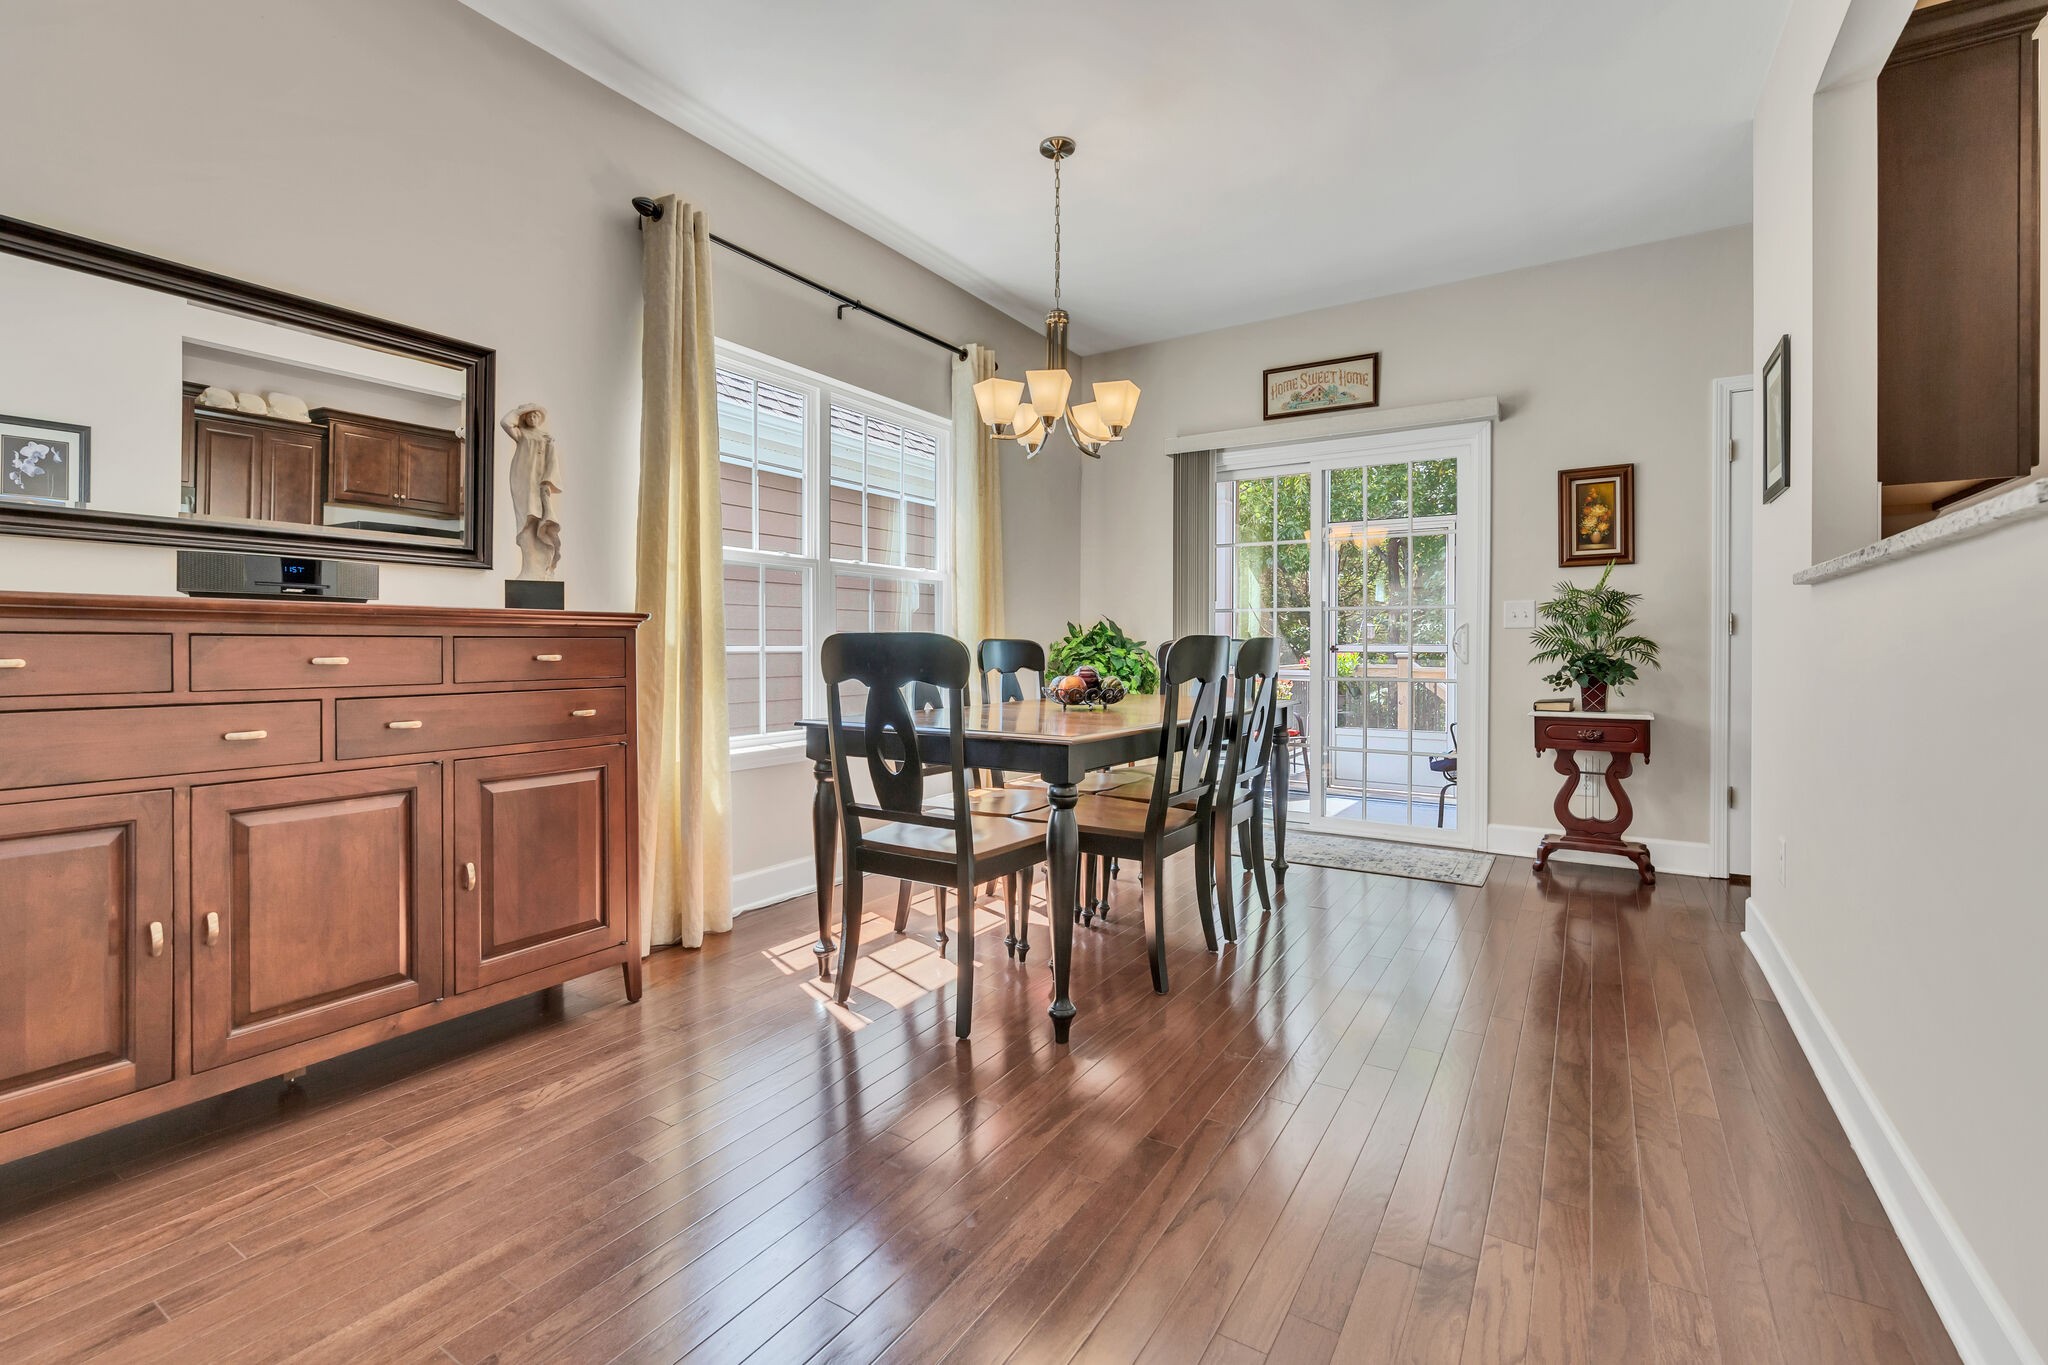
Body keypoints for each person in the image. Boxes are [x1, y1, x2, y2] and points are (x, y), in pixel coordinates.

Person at [502, 403, 561, 579]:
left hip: (539, 483)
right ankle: (528, 568)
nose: (532, 418)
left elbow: (551, 462)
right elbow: (505, 422)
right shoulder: (521, 434)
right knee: (525, 519)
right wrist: (520, 411)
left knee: (540, 518)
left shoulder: (546, 438)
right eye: (529, 416)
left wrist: (547, 482)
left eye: (535, 415)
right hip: (522, 480)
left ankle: (541, 568)